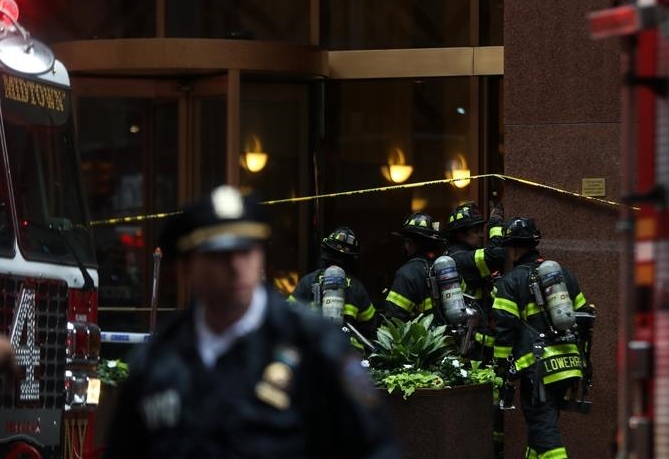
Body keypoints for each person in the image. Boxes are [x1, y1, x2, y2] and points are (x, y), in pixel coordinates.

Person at [105, 185, 399, 459]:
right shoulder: (157, 361)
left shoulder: (316, 347)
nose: (236, 266)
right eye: (220, 255)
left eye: (246, 251)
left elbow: (376, 448)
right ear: (187, 267)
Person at [491, 217, 592, 459]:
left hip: (537, 369)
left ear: (513, 249)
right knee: (541, 426)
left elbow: (505, 330)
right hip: (569, 365)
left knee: (543, 426)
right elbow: (585, 318)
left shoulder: (511, 282)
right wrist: (585, 362)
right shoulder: (564, 275)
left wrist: (501, 370)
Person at [288, 226, 377, 353]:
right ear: (352, 258)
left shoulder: (308, 281)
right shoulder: (358, 288)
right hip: (348, 356)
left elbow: (287, 316)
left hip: (314, 353)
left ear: (326, 250)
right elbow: (370, 328)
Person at [442, 201, 505, 363]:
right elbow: (496, 255)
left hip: (476, 341)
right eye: (476, 231)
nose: (481, 235)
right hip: (472, 346)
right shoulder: (462, 258)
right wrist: (496, 223)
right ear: (460, 234)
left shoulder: (457, 255)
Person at [382, 212, 446, 322]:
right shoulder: (444, 266)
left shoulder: (407, 274)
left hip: (423, 333)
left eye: (405, 241)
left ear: (408, 242)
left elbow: (394, 319)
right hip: (448, 331)